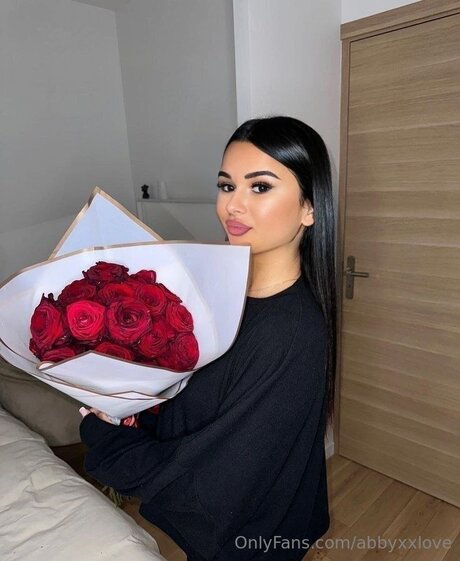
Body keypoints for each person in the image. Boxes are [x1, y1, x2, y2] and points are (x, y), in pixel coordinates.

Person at [79, 116, 337, 561]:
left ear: (310, 209)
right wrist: (133, 412)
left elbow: (216, 479)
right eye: (226, 185)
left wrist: (105, 438)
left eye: (260, 187)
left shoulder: (292, 335)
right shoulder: (219, 296)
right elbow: (196, 400)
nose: (232, 205)